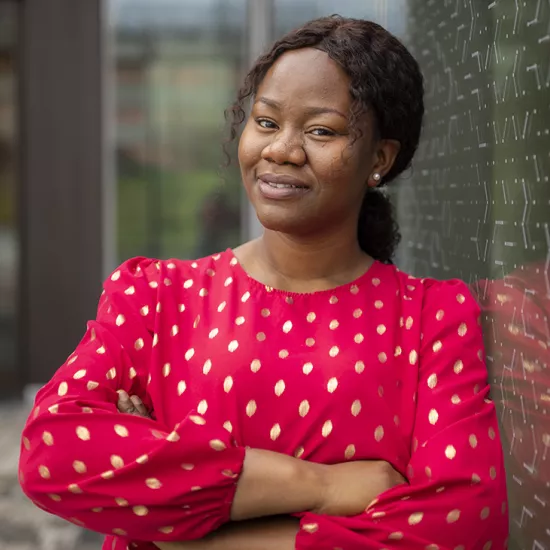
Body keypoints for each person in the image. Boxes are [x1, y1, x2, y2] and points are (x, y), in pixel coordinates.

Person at [18, 15, 508, 550]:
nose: (282, 150)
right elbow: (53, 451)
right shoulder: (158, 297)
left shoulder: (429, 319)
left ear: (380, 159)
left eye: (321, 130)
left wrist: (192, 532)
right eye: (267, 122)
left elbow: (465, 520)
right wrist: (320, 486)